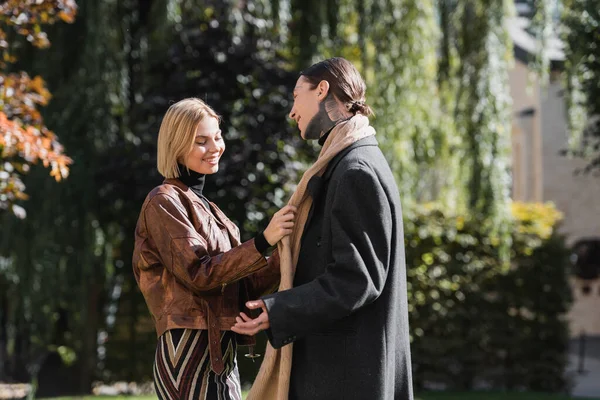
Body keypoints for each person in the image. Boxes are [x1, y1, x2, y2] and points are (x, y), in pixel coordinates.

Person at [232, 58, 414, 400]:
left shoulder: (355, 170)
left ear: (322, 90)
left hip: (345, 378)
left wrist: (278, 310)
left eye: (296, 96)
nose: (291, 111)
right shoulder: (347, 163)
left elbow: (357, 278)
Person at [132, 98, 296, 400]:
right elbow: (200, 273)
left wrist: (287, 247)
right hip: (188, 349)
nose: (215, 147)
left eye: (217, 137)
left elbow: (242, 288)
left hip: (222, 349)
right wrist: (263, 241)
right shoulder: (164, 201)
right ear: (177, 145)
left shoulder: (214, 212)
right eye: (201, 141)